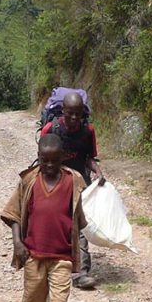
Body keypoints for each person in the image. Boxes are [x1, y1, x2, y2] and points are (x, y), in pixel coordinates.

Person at [0, 133, 87, 302]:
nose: (48, 165)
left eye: (54, 160)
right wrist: (18, 243)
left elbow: (79, 218)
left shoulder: (73, 181)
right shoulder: (29, 181)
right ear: (38, 158)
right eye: (43, 160)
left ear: (63, 158)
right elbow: (14, 213)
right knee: (38, 299)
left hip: (61, 255)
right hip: (34, 253)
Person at [39, 91, 103, 289]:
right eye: (70, 114)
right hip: (53, 183)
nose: (74, 118)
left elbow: (89, 157)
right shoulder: (51, 128)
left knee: (79, 225)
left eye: (78, 114)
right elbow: (42, 160)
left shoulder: (88, 131)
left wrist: (98, 173)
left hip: (77, 183)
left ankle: (81, 272)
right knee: (55, 224)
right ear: (62, 111)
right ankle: (48, 264)